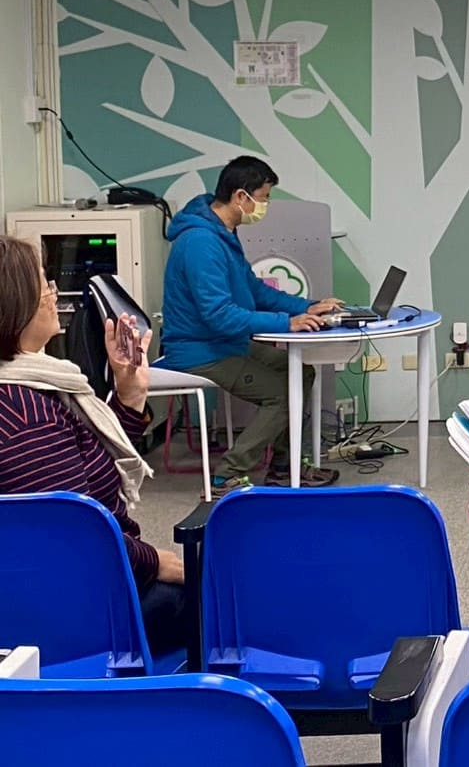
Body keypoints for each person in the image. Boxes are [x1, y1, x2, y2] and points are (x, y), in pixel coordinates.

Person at [0, 235, 189, 657]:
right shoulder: (27, 416)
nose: (54, 293)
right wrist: (159, 562)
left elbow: (83, 468)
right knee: (229, 595)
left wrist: (129, 394)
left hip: (49, 595)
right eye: (44, 284)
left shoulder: (30, 388)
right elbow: (78, 537)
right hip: (72, 614)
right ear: (15, 304)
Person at [158, 155, 342, 492]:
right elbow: (219, 314)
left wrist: (308, 306)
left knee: (301, 373)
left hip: (223, 344)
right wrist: (286, 323)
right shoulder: (201, 243)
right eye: (264, 197)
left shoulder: (222, 233)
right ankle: (227, 474)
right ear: (241, 196)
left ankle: (285, 465)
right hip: (200, 351)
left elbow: (254, 290)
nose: (265, 206)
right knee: (283, 394)